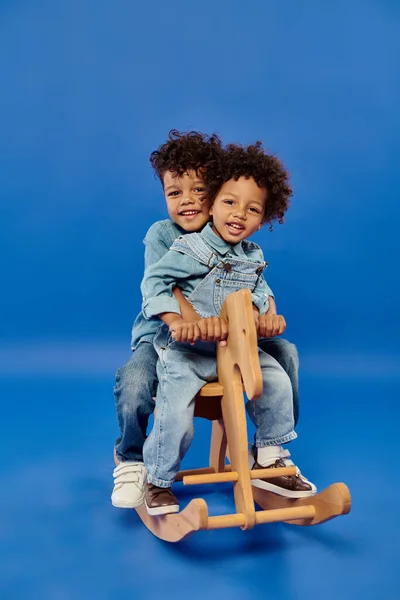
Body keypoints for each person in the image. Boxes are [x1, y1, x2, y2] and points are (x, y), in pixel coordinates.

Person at [112, 131, 299, 509]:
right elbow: (164, 286)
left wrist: (268, 315)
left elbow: (259, 285)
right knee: (135, 382)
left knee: (285, 356)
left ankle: (270, 449)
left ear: (212, 194)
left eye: (199, 191)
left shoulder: (238, 241)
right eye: (174, 193)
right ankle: (133, 462)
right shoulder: (169, 238)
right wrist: (190, 323)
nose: (188, 202)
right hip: (167, 333)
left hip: (226, 339)